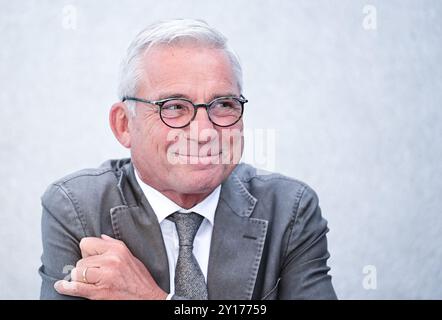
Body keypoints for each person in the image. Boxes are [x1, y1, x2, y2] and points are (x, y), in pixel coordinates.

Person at [39, 19, 337, 300]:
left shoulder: (290, 209)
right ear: (124, 125)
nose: (205, 132)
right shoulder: (76, 207)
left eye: (223, 104)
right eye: (174, 107)